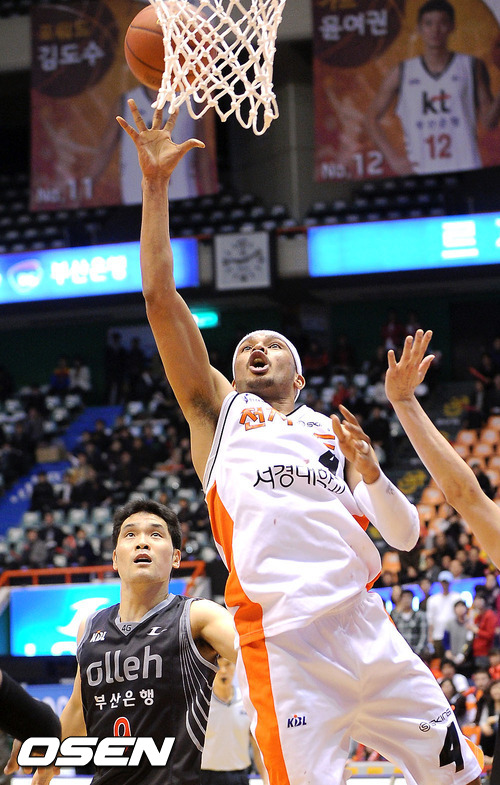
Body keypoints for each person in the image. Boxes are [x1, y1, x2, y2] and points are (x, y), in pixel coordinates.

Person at [115, 100, 483, 785]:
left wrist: (371, 472)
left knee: (462, 777)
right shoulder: (220, 414)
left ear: (301, 372)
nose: (256, 347)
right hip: (284, 648)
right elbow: (161, 301)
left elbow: (402, 534)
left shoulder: (332, 434)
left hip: (367, 628)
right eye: (245, 347)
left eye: (272, 343)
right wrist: (156, 188)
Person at [16, 498, 236, 785]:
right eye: (130, 534)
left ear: (176, 558)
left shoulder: (197, 616)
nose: (142, 542)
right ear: (115, 559)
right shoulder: (89, 627)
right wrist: (48, 752)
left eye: (155, 534)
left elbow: (260, 652)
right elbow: (79, 709)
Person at [365, 0, 500, 175]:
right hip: (422, 173)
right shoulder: (402, 71)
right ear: (419, 29)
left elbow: (489, 122)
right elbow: (371, 118)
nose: (435, 30)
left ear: (451, 26)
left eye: (442, 23)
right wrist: (393, 159)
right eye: (428, 23)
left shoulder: (471, 65)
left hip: (465, 169)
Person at [201, 656, 267, 785]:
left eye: (227, 665)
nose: (223, 671)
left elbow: (257, 748)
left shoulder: (247, 701)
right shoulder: (202, 702)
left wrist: (266, 779)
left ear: (236, 666)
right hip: (206, 776)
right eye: (218, 665)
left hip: (239, 776)